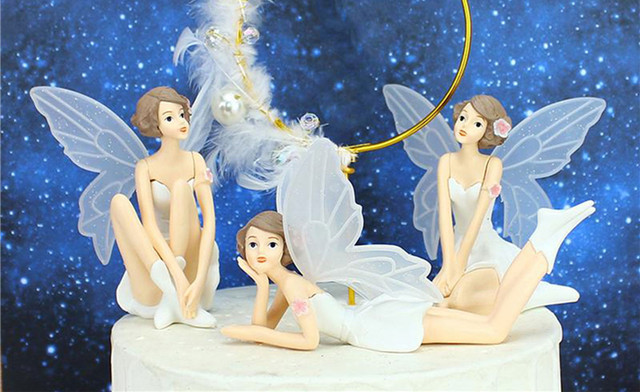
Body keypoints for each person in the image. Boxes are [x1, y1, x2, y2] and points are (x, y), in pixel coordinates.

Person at [221, 201, 594, 352]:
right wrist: (261, 286)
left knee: (494, 330)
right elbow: (266, 324)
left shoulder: (293, 285)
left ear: (284, 248)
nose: (260, 252)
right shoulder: (287, 285)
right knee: (490, 322)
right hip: (379, 317)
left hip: (376, 326)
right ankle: (541, 243)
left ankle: (541, 248)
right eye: (253, 244)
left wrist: (251, 334)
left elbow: (308, 341)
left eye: (270, 244)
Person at [433, 95, 578, 313]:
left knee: (462, 299)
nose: (465, 126)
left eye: (477, 123)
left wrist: (459, 266)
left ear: (488, 131)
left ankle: (533, 294)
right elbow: (444, 216)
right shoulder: (446, 161)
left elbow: (478, 218)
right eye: (463, 118)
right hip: (455, 247)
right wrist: (448, 265)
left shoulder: (493, 164)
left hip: (484, 246)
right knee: (439, 295)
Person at [109, 87, 219, 329]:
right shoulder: (145, 167)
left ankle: (178, 294)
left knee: (180, 188)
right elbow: (149, 225)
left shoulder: (195, 161)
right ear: (156, 125)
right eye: (170, 118)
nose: (181, 122)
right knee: (118, 202)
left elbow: (209, 222)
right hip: (157, 265)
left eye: (181, 114)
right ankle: (167, 285)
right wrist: (174, 276)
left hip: (190, 258)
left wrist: (199, 279)